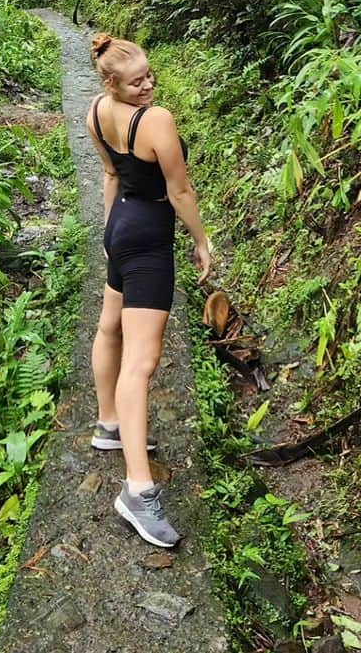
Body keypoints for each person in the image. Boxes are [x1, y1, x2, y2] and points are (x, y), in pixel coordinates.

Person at [84, 33, 211, 548]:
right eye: (137, 82)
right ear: (113, 82)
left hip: (123, 227)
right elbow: (179, 189)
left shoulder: (96, 111)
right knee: (142, 362)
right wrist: (201, 241)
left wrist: (110, 235)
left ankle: (109, 423)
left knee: (109, 326)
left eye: (150, 77)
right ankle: (138, 491)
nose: (149, 86)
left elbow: (111, 174)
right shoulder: (156, 121)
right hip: (151, 240)